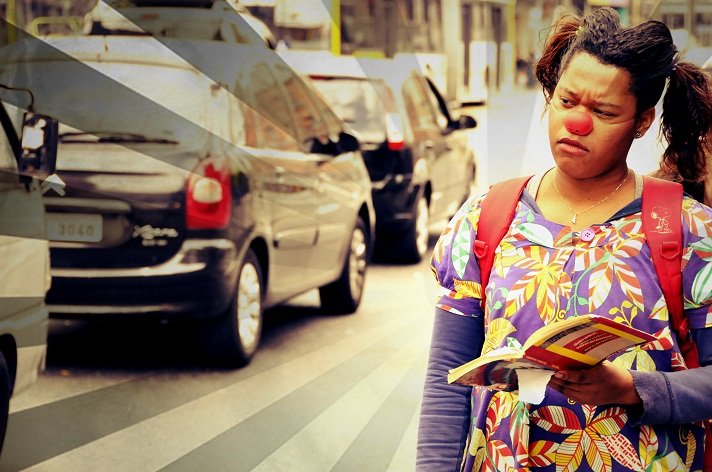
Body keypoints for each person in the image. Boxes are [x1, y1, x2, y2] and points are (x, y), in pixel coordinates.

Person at [416, 7, 712, 471]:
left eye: (603, 111)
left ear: (642, 121)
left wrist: (634, 389)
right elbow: (445, 378)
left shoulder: (689, 230)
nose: (577, 123)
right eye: (567, 101)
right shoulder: (487, 218)